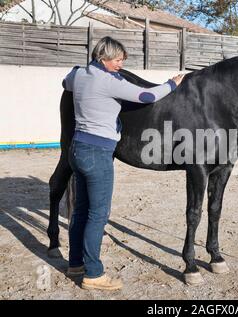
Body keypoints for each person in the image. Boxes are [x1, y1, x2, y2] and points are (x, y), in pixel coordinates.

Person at [62, 36, 184, 291]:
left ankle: (75, 263)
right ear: (103, 58)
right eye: (117, 60)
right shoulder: (107, 82)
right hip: (98, 152)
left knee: (82, 209)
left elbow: (66, 81)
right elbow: (148, 95)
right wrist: (172, 84)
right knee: (98, 215)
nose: (120, 65)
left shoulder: (79, 75)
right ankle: (94, 274)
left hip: (78, 148)